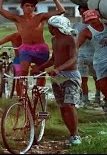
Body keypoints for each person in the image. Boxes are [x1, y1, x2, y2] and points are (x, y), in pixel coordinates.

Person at [0, 0, 65, 95]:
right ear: (22, 7)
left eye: (32, 6)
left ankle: (39, 96)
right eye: (27, 6)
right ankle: (22, 98)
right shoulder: (17, 18)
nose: (29, 8)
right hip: (26, 49)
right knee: (22, 73)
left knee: (40, 74)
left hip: (41, 48)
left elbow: (61, 10)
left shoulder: (40, 17)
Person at [31, 15, 82, 145]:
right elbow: (54, 59)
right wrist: (40, 68)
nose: (49, 28)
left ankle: (76, 135)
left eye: (50, 26)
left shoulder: (71, 39)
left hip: (70, 75)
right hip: (57, 77)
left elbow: (73, 58)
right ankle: (71, 133)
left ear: (56, 27)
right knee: (63, 106)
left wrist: (58, 69)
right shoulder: (54, 40)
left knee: (69, 105)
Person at [78, 9, 107, 113]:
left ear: (98, 17)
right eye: (90, 20)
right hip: (99, 61)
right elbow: (76, 45)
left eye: (94, 18)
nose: (92, 21)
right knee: (102, 86)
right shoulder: (86, 32)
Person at [73, 5, 101, 106]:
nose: (83, 14)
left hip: (93, 55)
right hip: (82, 55)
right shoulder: (76, 26)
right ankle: (87, 98)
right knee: (84, 78)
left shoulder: (94, 26)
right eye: (81, 12)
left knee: (96, 78)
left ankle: (95, 97)